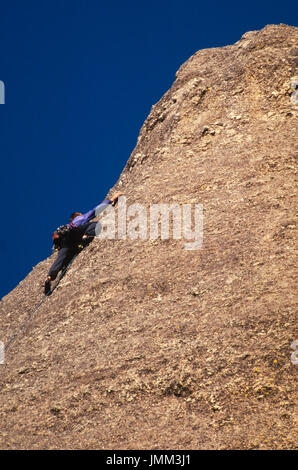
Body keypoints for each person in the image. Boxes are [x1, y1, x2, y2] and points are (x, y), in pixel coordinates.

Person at [44, 192, 122, 295]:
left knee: (61, 259)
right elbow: (94, 211)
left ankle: (49, 278)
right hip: (75, 235)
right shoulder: (79, 219)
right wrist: (111, 199)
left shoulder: (66, 227)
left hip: (65, 243)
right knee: (95, 224)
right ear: (77, 215)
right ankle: (86, 236)